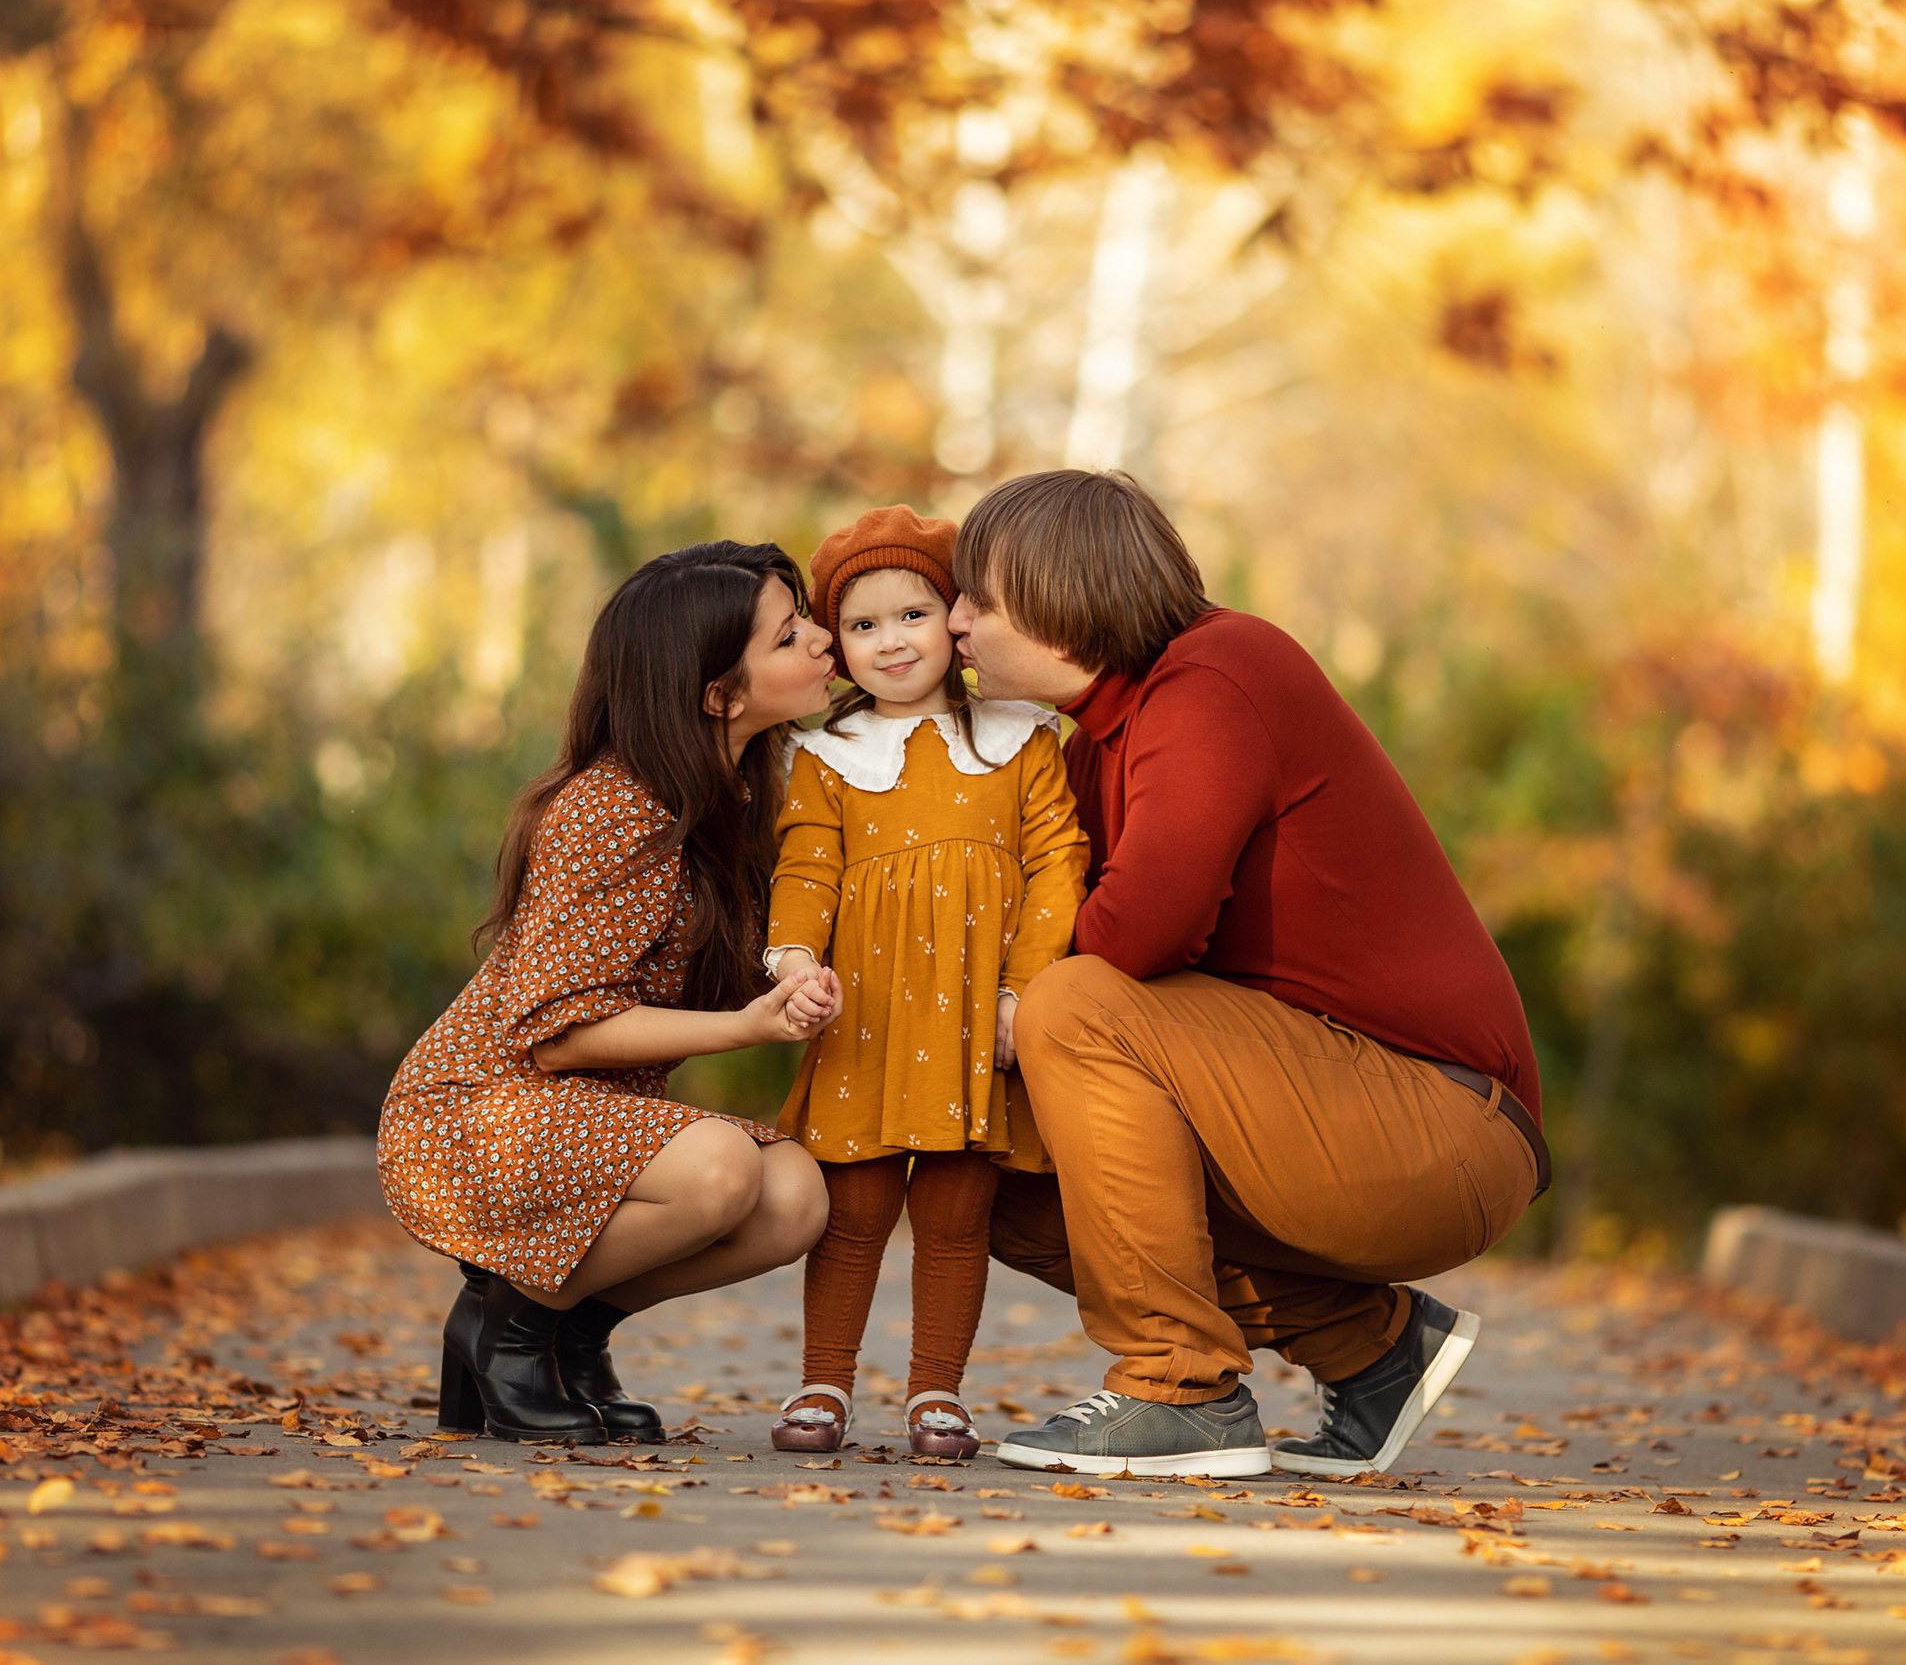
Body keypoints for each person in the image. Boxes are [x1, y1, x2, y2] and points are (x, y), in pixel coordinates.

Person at [948, 471, 1550, 1479]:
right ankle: (1373, 1351)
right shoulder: (1094, 744)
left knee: (1073, 1006)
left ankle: (1179, 1389)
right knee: (993, 1177)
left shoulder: (1216, 675)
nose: (956, 623)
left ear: (1059, 596)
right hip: (1316, 1111)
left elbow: (1141, 932)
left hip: (1441, 1125)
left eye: (977, 598)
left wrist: (1019, 996)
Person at [377, 540, 843, 1446]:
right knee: (721, 1169)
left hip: (581, 1118)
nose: (823, 640)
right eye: (790, 635)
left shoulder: (738, 797)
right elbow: (560, 1037)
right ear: (719, 694)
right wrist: (746, 1027)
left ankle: (569, 1335)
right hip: (478, 1113)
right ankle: (504, 1329)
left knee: (794, 1198)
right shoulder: (610, 807)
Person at [762, 507, 1089, 1460]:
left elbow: (1058, 865)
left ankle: (936, 1389)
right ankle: (824, 1378)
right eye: (862, 624)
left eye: (913, 613)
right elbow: (806, 870)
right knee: (853, 1208)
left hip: (976, 1017)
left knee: (955, 1213)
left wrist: (1023, 992)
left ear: (954, 617)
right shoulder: (825, 756)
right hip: (864, 1012)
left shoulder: (1021, 739)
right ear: (838, 642)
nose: (891, 640)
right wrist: (793, 962)